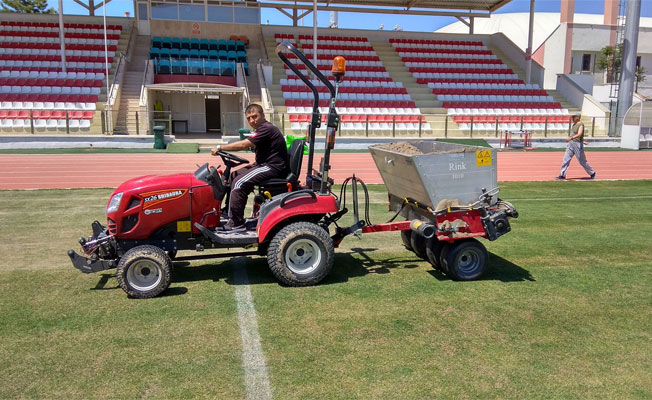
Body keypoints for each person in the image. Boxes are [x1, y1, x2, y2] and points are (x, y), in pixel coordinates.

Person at [211, 104, 289, 232]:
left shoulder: (267, 128)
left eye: (255, 116)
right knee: (233, 176)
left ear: (263, 115)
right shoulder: (261, 129)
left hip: (272, 167)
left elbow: (243, 144)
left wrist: (220, 148)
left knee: (238, 183)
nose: (252, 120)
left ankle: (236, 224)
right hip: (262, 164)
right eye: (249, 118)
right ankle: (228, 212)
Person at [556, 112, 596, 180]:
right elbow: (576, 135)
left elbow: (579, 134)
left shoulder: (580, 124)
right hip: (571, 143)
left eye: (574, 117)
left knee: (582, 161)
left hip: (577, 144)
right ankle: (562, 175)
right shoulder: (574, 125)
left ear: (578, 117)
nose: (572, 118)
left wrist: (572, 138)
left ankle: (592, 172)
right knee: (566, 159)